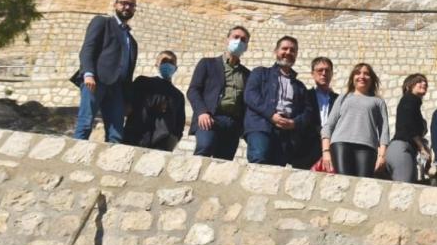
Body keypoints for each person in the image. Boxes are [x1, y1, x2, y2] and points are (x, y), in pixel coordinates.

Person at [71, 0, 138, 143]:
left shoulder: (132, 41)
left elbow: (128, 72)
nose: (126, 7)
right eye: (123, 3)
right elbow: (88, 48)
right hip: (96, 82)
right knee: (85, 123)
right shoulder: (102, 22)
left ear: (134, 9)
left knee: (116, 133)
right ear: (115, 5)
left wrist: (127, 99)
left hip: (117, 89)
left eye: (131, 5)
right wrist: (88, 73)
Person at [243, 35, 311, 166]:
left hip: (285, 134)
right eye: (284, 49)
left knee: (277, 171)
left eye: (292, 50)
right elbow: (250, 96)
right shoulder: (260, 73)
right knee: (259, 161)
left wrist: (294, 123)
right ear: (276, 51)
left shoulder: (300, 86)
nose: (288, 53)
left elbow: (307, 111)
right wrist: (271, 115)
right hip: (261, 127)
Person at [187, 26, 252, 160]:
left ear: (246, 47)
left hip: (232, 124)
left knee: (224, 163)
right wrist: (202, 112)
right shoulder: (207, 64)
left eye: (243, 40)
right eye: (236, 37)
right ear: (227, 40)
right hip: (210, 118)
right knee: (205, 147)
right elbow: (193, 90)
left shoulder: (247, 74)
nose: (239, 41)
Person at [321, 63, 390, 178]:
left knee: (363, 183)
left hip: (367, 146)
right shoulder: (343, 97)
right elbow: (329, 125)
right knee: (343, 180)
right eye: (358, 73)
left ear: (371, 79)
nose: (361, 76)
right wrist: (326, 151)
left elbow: (384, 131)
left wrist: (382, 156)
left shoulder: (378, 102)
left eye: (366, 74)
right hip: (340, 143)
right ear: (353, 78)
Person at [122, 50, 185, 151]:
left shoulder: (178, 96)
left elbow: (180, 123)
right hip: (134, 138)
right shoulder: (142, 82)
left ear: (176, 68)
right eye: (164, 61)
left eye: (171, 62)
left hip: (161, 145)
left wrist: (173, 139)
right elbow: (128, 105)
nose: (168, 64)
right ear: (156, 64)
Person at [293, 57, 339, 170]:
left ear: (332, 74)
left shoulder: (339, 100)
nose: (324, 73)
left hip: (332, 151)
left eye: (327, 70)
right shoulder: (304, 96)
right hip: (306, 150)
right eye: (320, 70)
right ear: (313, 74)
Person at [387, 74, 431, 183]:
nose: (424, 83)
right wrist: (422, 148)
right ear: (408, 86)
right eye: (419, 81)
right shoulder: (410, 99)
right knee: (404, 188)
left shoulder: (411, 102)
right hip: (402, 148)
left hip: (402, 150)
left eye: (425, 82)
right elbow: (409, 125)